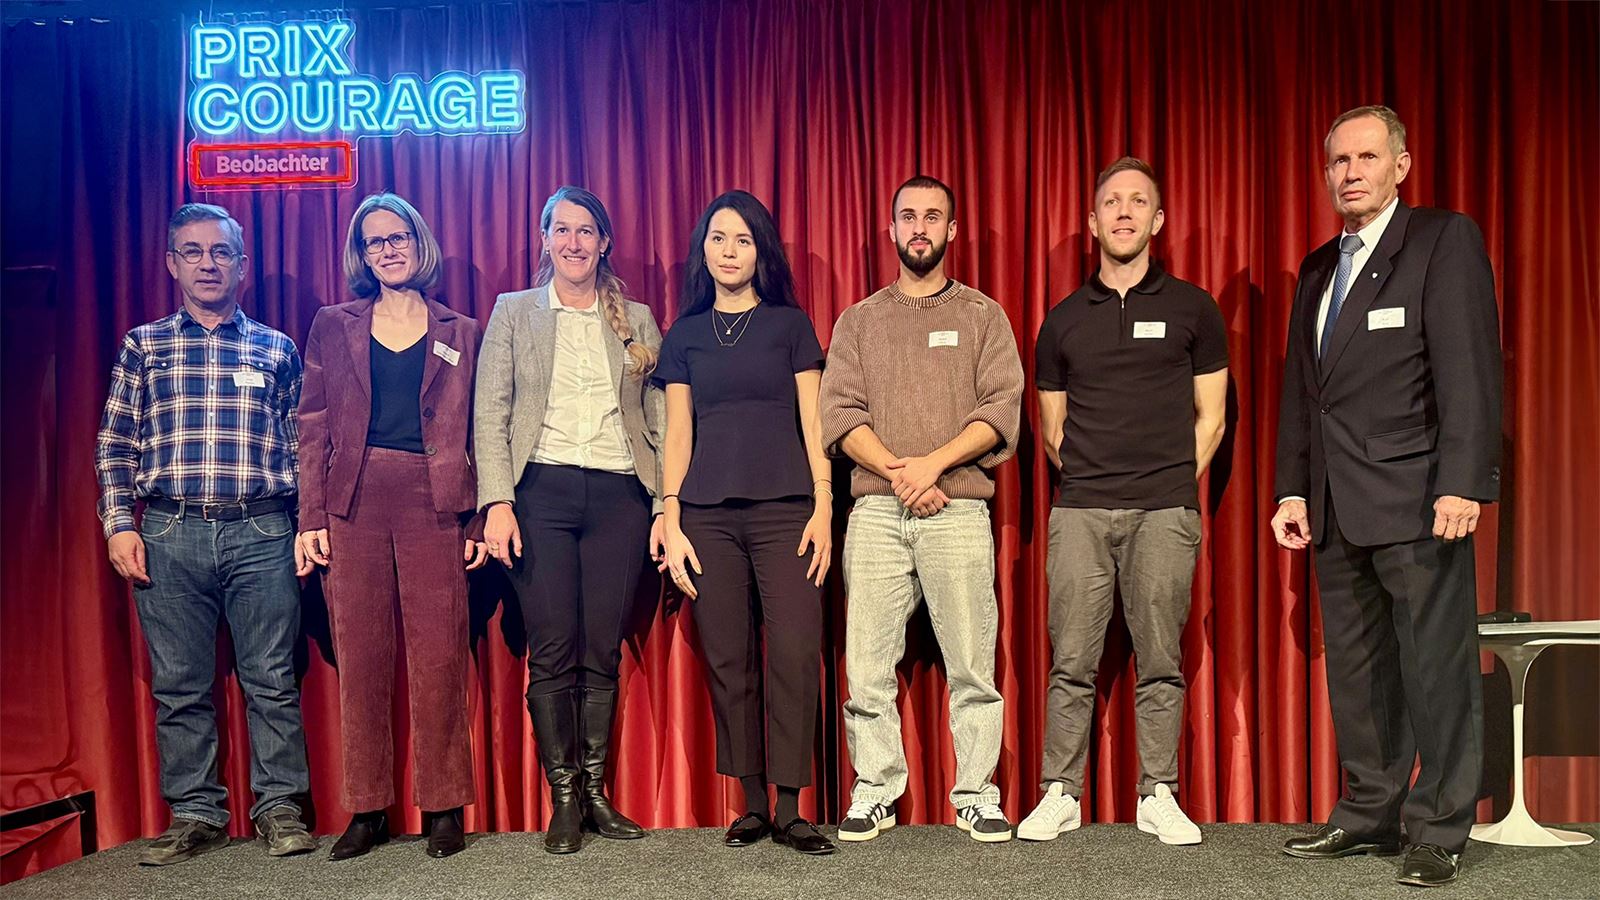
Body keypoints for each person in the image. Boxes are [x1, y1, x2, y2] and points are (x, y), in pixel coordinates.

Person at [1271, 105, 1502, 888]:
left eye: (1367, 157)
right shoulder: (1317, 269)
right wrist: (1292, 489)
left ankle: (1438, 828)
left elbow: (1469, 368)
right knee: (1360, 673)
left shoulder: (1440, 240)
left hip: (1418, 498)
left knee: (1436, 669)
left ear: (1400, 166)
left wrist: (1464, 482)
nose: (1351, 173)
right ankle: (1369, 812)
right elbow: (1305, 394)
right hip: (1336, 506)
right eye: (1339, 161)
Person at [95, 203, 315, 865]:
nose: (208, 264)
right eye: (192, 252)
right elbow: (115, 444)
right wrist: (119, 525)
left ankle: (280, 809)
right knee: (180, 685)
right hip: (169, 528)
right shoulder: (145, 345)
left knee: (271, 678)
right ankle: (195, 814)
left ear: (242, 265)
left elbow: (304, 448)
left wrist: (307, 525)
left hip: (263, 528)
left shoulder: (277, 348)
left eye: (221, 252)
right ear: (172, 264)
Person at [1018, 158, 1228, 847]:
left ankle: (1157, 794)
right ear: (1093, 221)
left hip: (1165, 510)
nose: (1125, 212)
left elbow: (1212, 419)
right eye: (1112, 202)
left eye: (1138, 202)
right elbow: (1052, 430)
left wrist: (1167, 480)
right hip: (1080, 510)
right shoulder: (1062, 321)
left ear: (1157, 220)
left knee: (1160, 660)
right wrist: (1096, 478)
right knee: (1071, 663)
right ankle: (1059, 793)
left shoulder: (1194, 309)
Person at [820, 175, 1024, 844]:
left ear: (952, 230)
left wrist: (932, 465)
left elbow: (1000, 409)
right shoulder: (859, 320)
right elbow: (839, 414)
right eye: (908, 216)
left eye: (933, 216)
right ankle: (875, 790)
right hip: (877, 514)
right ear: (891, 229)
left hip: (957, 510)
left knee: (972, 667)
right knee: (866, 669)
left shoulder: (983, 316)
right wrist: (901, 473)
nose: (919, 227)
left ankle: (977, 794)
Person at [295, 193, 486, 860]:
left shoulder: (462, 330)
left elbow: (480, 428)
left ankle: (443, 806)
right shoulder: (332, 323)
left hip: (436, 499)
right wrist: (310, 516)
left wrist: (479, 514)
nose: (387, 249)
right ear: (362, 254)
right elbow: (312, 423)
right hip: (354, 501)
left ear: (418, 242)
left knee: (439, 657)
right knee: (362, 657)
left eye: (397, 236)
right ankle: (368, 808)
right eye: (374, 241)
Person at [475, 185, 664, 854]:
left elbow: (660, 416)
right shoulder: (514, 311)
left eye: (586, 231)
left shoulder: (636, 318)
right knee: (553, 647)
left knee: (601, 649)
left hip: (620, 495)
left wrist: (663, 504)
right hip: (541, 494)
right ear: (545, 239)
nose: (574, 242)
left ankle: (594, 794)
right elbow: (490, 411)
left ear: (603, 242)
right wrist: (497, 502)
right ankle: (563, 798)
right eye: (562, 230)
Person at [656, 189, 835, 856]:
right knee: (730, 658)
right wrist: (671, 516)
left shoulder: (790, 325)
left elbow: (815, 421)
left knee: (794, 651)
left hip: (788, 509)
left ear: (761, 252)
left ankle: (791, 809)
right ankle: (754, 804)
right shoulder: (685, 335)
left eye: (743, 240)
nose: (729, 251)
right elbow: (678, 434)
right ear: (702, 250)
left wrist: (825, 503)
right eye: (718, 239)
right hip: (706, 516)